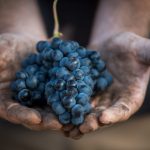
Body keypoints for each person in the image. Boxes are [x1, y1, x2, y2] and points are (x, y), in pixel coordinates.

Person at [0, 0, 150, 140]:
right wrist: (13, 26)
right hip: (14, 134)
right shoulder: (59, 62)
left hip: (129, 128)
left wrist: (124, 26)